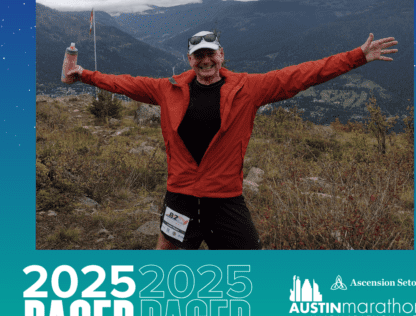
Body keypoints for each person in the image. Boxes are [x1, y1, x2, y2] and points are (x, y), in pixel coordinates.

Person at [67, 30, 398, 250]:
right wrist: (82, 73)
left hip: (224, 199)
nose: (206, 61)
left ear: (222, 55)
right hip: (180, 198)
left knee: (247, 273)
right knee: (165, 273)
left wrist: (357, 56)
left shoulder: (247, 88)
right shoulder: (167, 89)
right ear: (190, 60)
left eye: (211, 54)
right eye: (199, 56)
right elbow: (122, 83)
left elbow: (302, 74)